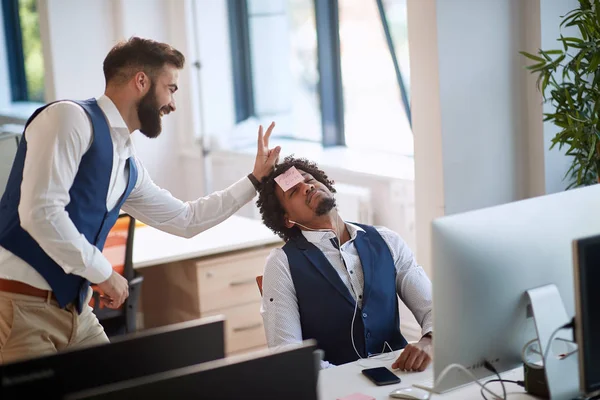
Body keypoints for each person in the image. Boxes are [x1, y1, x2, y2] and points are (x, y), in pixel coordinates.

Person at [0, 36, 280, 364]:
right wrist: (103, 272)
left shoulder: (128, 163)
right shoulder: (68, 119)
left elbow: (186, 220)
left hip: (76, 313)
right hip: (21, 307)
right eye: (170, 88)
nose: (172, 104)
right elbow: (40, 212)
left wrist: (254, 181)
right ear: (141, 81)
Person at [256, 156, 432, 371]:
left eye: (308, 179)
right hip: (335, 385)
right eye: (293, 191)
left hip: (401, 375)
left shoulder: (388, 240)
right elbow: (286, 351)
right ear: (287, 220)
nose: (307, 187)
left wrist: (429, 341)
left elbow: (433, 308)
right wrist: (343, 379)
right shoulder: (281, 264)